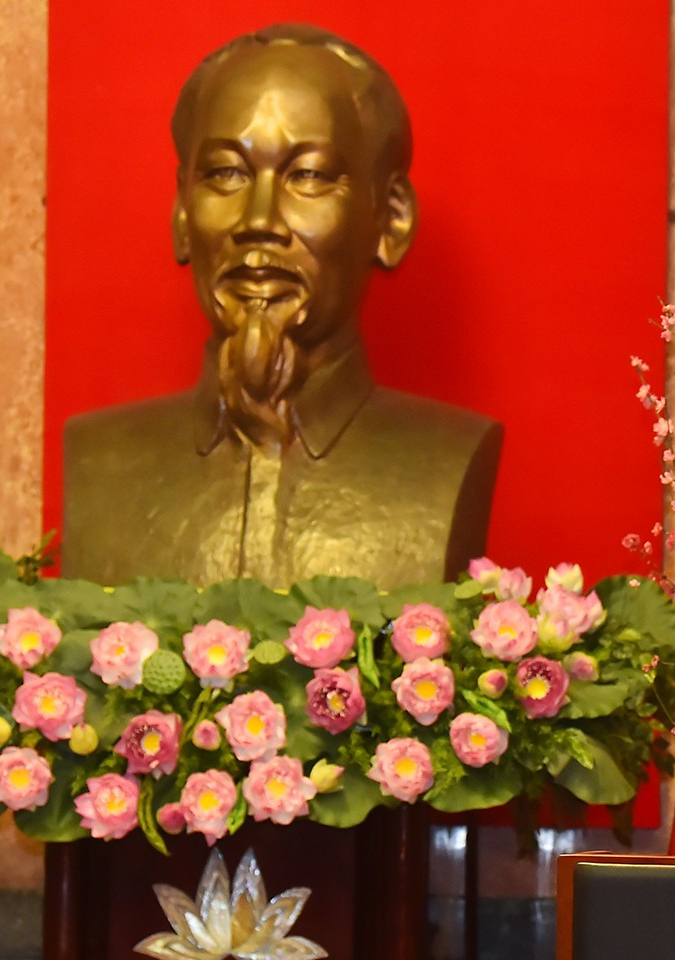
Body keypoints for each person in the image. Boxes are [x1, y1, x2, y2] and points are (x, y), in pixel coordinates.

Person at [62, 24, 501, 588]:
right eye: (226, 174)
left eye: (309, 176)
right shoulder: (102, 461)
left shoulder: (449, 459)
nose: (259, 221)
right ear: (180, 214)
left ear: (390, 220)